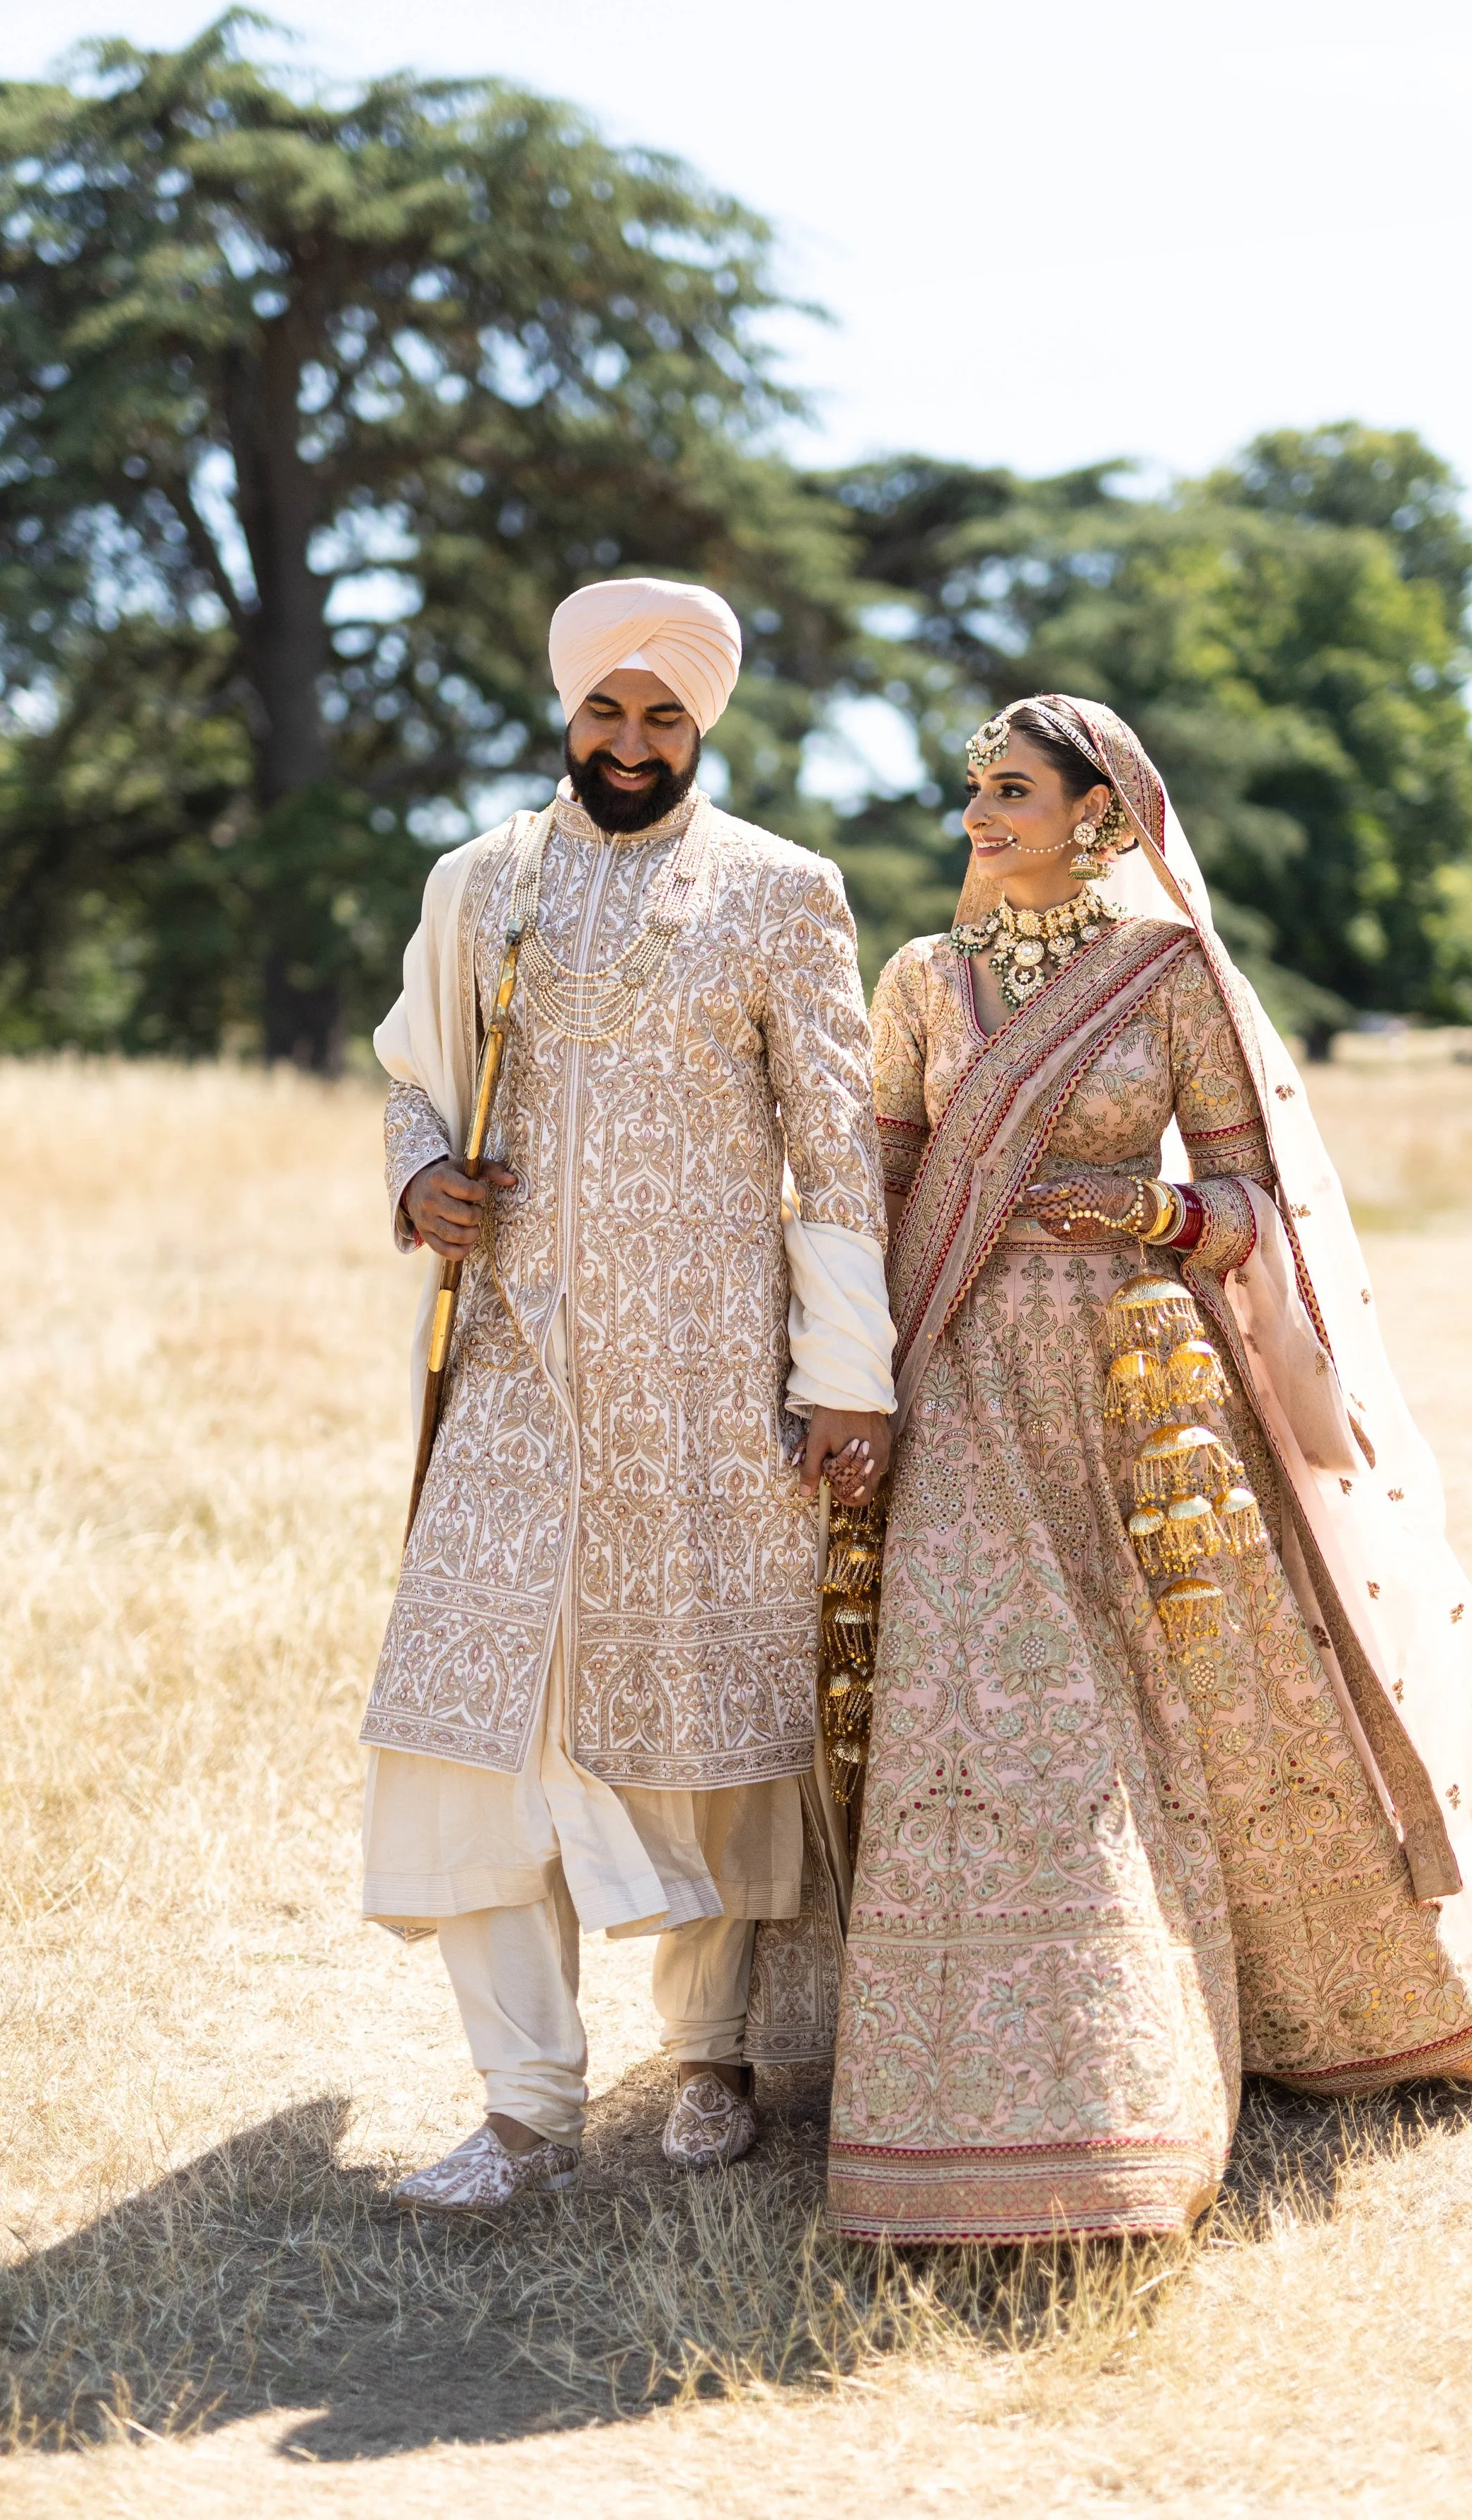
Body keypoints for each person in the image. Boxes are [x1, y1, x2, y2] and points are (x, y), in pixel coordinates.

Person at [826, 693, 1472, 2243]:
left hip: (1139, 1384)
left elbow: (1243, 1194)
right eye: (972, 792)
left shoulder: (1166, 980)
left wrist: (1143, 1222)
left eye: (1009, 789)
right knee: (1000, 1716)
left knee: (1191, 1696)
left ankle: (1288, 2015)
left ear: (1095, 810)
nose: (976, 817)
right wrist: (845, 1384)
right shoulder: (919, 982)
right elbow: (874, 1192)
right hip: (957, 1376)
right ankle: (1029, 2092)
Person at [361, 575, 895, 2214]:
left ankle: (715, 2052)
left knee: (706, 1721)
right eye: (607, 710)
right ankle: (520, 2106)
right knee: (464, 1726)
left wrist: (845, 1380)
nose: (632, 741)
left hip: (710, 1388)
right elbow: (410, 1072)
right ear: (566, 715)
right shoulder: (480, 885)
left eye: (664, 717)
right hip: (519, 1375)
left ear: (703, 728)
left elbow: (834, 1154)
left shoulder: (779, 894)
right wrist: (421, 1182)